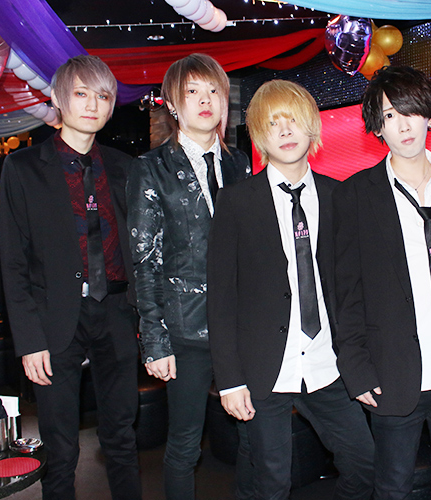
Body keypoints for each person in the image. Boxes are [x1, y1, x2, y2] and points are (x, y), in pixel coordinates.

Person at [207, 79, 374, 500]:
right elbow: (221, 301)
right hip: (264, 369)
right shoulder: (236, 202)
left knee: (364, 463)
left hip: (328, 364)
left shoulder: (339, 196)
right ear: (259, 135)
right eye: (273, 123)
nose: (284, 131)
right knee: (272, 482)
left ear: (312, 127)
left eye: (293, 121)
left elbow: (353, 289)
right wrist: (230, 381)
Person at [333, 65, 431, 500]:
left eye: (411, 111)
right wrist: (357, 369)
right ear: (377, 128)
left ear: (430, 117)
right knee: (393, 487)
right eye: (389, 116)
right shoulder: (356, 194)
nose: (403, 125)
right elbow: (345, 292)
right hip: (393, 371)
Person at [0, 55, 141, 500]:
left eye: (102, 96)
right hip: (55, 317)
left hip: (117, 312)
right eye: (81, 93)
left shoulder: (125, 167)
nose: (92, 105)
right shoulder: (23, 168)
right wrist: (29, 340)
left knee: (122, 438)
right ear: (59, 98)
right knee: (60, 449)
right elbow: (13, 262)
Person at [126, 53, 251, 500]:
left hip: (241, 324)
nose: (205, 100)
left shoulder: (240, 164)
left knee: (254, 435)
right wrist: (154, 340)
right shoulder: (151, 167)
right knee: (184, 445)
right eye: (192, 91)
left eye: (213, 90)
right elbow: (144, 259)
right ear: (174, 105)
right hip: (186, 328)